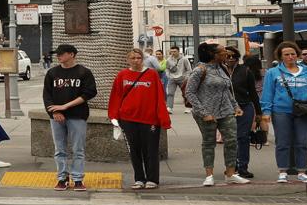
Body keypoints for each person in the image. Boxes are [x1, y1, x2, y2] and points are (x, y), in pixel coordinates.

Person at [183, 43, 249, 187]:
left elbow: (226, 90)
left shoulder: (222, 68)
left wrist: (235, 106)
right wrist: (203, 112)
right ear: (215, 55)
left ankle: (230, 174)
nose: (227, 53)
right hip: (207, 113)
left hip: (226, 111)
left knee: (231, 141)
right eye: (223, 51)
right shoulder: (200, 70)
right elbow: (189, 93)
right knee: (209, 143)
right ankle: (209, 175)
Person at [261, 42, 307, 184]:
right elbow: (267, 93)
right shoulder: (273, 73)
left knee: (302, 142)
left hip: (305, 111)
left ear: (297, 55)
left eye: (293, 54)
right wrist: (266, 111)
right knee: (282, 142)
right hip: (281, 111)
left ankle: (302, 171)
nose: (290, 57)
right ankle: (282, 171)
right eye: (286, 54)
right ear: (280, 57)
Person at [108, 48, 171, 191]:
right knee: (134, 150)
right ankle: (139, 178)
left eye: (138, 58)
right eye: (132, 58)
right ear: (127, 60)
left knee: (151, 150)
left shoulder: (152, 74)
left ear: (142, 59)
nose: (136, 60)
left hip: (149, 119)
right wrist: (114, 116)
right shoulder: (122, 75)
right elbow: (116, 96)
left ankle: (152, 179)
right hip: (128, 119)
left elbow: (160, 97)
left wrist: (163, 118)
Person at [42, 43, 98, 190]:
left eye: (62, 53)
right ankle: (62, 178)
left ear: (72, 54)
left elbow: (89, 93)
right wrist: (55, 111)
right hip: (57, 117)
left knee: (78, 149)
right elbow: (47, 95)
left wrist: (66, 106)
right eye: (57, 54)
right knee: (59, 149)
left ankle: (78, 178)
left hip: (77, 115)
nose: (58, 56)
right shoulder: (52, 73)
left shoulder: (84, 72)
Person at [230, 49, 262, 180]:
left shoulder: (245, 71)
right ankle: (232, 166)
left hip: (244, 106)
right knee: (230, 139)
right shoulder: (218, 71)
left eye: (233, 56)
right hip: (225, 109)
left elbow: (253, 93)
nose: (230, 58)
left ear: (238, 58)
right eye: (227, 56)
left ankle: (243, 167)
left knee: (243, 137)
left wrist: (259, 112)